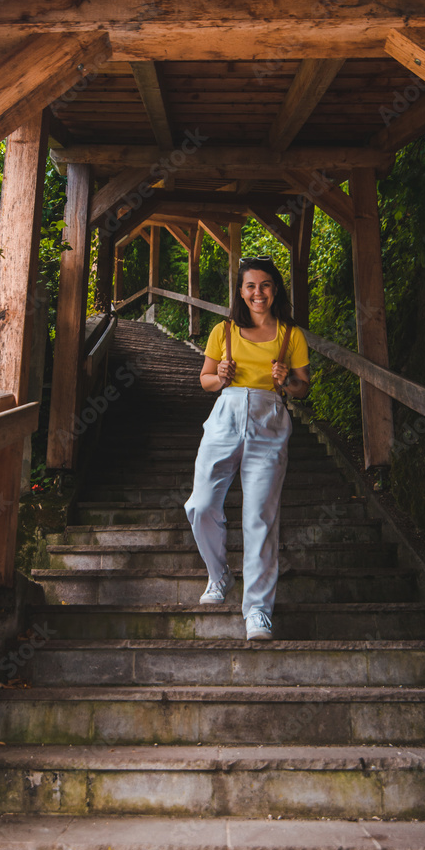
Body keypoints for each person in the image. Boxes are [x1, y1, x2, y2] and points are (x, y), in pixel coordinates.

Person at [184, 256, 310, 641]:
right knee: (201, 503)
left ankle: (257, 611)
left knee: (259, 516)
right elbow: (205, 379)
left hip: (269, 420)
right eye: (251, 286)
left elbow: (303, 388)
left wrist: (287, 380)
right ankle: (219, 573)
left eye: (266, 285)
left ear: (275, 290)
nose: (259, 293)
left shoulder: (292, 335)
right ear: (240, 291)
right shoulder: (223, 331)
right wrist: (218, 376)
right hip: (224, 417)